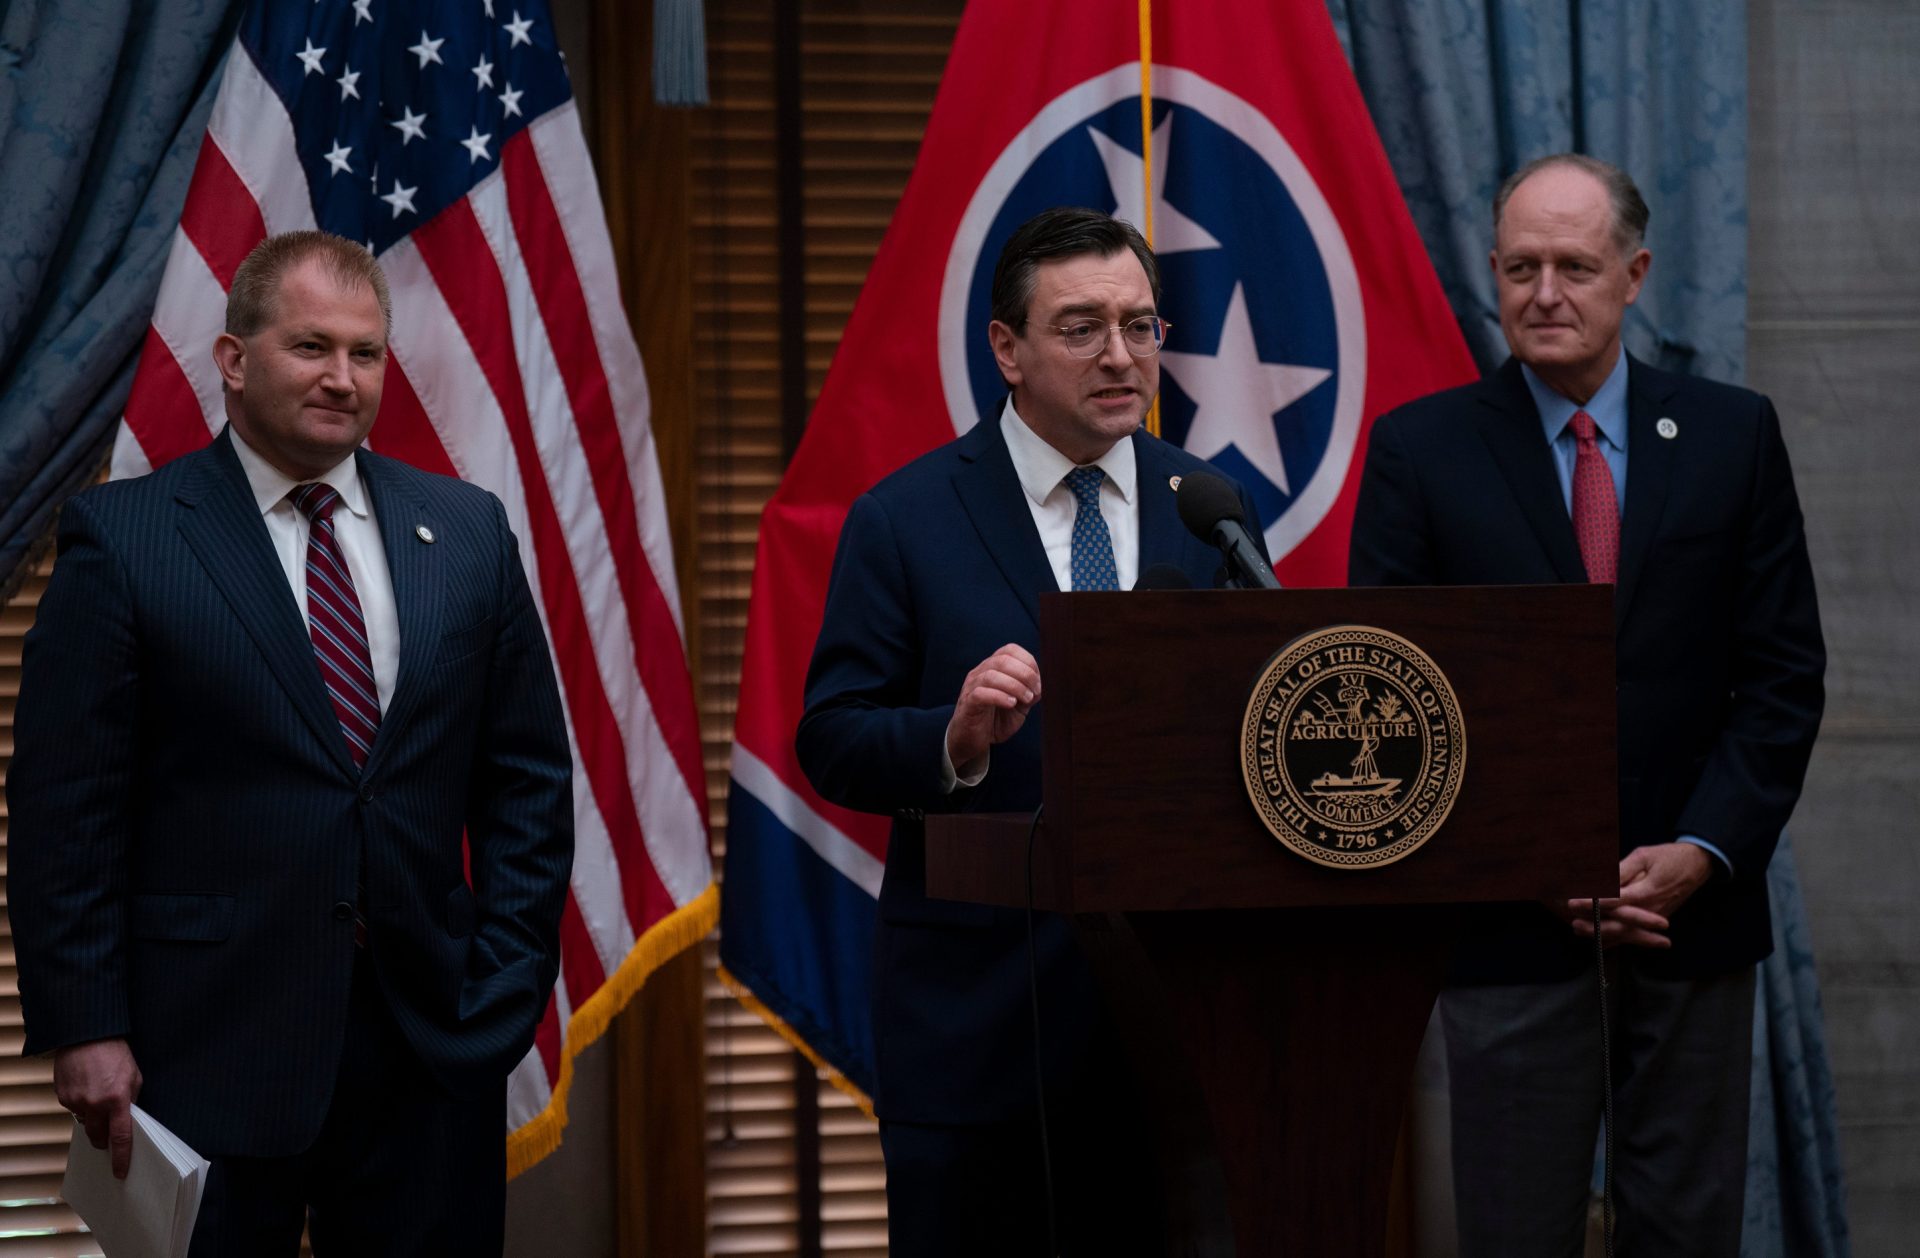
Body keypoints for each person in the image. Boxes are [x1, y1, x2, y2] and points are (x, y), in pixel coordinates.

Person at [8, 231, 574, 1256]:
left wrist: (509, 978)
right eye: (312, 346)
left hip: (428, 1043)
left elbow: (526, 777)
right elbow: (66, 807)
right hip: (204, 1052)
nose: (341, 377)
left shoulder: (469, 529)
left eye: (365, 353)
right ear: (234, 359)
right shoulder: (125, 538)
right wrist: (84, 1022)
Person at [1349, 154, 1826, 1256]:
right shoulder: (1421, 450)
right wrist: (1535, 858)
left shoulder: (1730, 433)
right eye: (1521, 267)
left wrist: (1703, 847)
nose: (1545, 292)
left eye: (1574, 265)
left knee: (1687, 1231)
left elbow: (1783, 676)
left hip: (1690, 916)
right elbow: (1394, 699)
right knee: (1515, 1231)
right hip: (1511, 927)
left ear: (1634, 275)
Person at [796, 207, 1265, 1256]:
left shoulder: (1212, 507)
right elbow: (832, 737)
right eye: (1082, 327)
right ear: (1006, 348)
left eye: (1141, 326)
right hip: (977, 1021)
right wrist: (956, 738)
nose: (1121, 356)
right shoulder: (906, 515)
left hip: (1174, 1025)